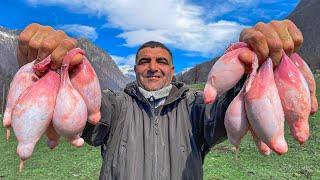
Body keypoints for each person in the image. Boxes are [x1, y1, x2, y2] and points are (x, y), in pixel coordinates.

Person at [17, 20, 303, 180]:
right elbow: (88, 112)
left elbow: (230, 106)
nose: (153, 67)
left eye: (161, 61)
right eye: (144, 61)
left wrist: (252, 62)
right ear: (135, 68)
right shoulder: (116, 107)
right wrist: (47, 69)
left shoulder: (195, 108)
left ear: (172, 69)